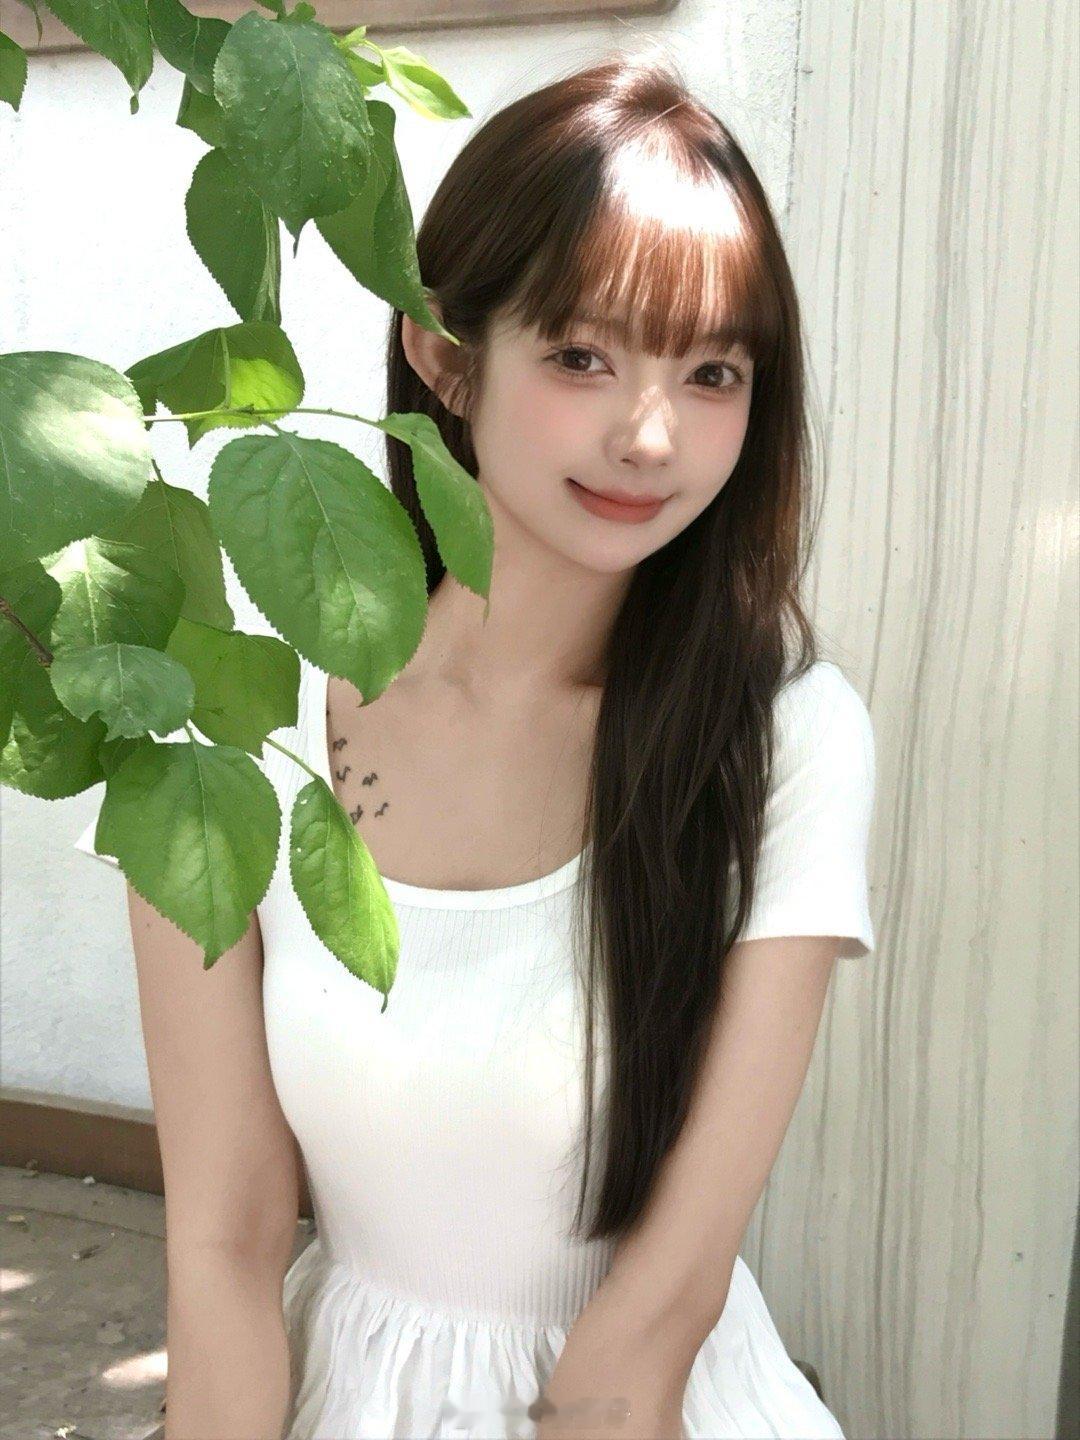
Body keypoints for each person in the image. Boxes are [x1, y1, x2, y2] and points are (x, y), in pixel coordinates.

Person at [76, 49, 877, 1440]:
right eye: (582, 356)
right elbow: (223, 1239)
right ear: (444, 354)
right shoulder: (237, 724)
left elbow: (665, 1297)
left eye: (711, 372)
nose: (650, 436)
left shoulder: (784, 733)